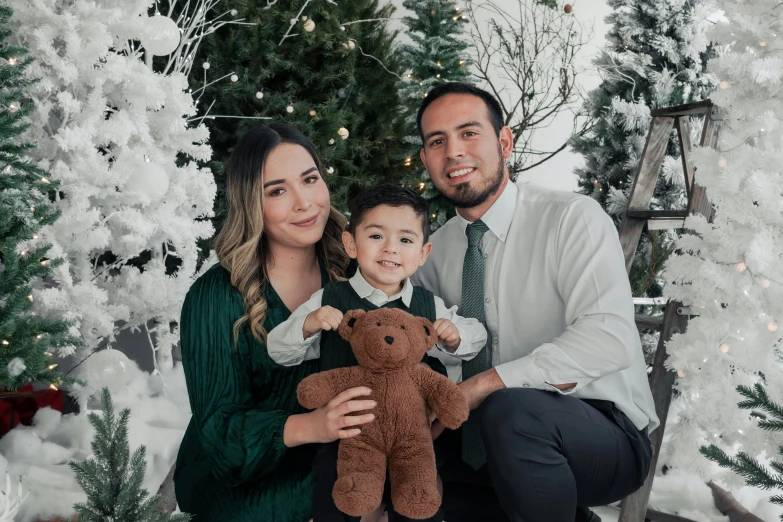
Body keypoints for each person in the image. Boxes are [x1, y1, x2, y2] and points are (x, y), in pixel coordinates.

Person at [411, 82, 659, 522]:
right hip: (483, 444)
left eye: (469, 133)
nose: (453, 152)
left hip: (602, 431)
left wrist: (485, 383)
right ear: (426, 157)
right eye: (437, 141)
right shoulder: (429, 253)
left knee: (511, 410)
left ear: (504, 142)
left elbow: (609, 338)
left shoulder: (571, 218)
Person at [173, 123, 377, 522]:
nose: (305, 203)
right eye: (278, 191)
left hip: (338, 455)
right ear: (252, 204)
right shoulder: (214, 296)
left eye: (310, 180)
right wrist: (314, 425)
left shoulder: (358, 271)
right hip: (238, 477)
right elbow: (219, 434)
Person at [267, 183, 487, 522]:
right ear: (351, 243)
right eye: (376, 236)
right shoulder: (330, 299)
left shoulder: (429, 306)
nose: (390, 249)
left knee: (418, 498)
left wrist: (455, 337)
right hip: (346, 437)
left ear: (422, 253)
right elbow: (279, 350)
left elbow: (478, 336)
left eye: (405, 240)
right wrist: (308, 325)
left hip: (414, 438)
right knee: (335, 495)